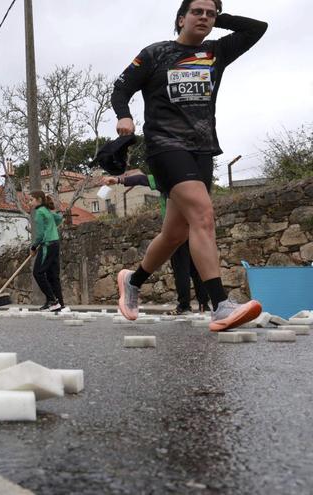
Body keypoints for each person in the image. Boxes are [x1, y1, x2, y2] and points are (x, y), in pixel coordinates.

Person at [111, 0, 266, 331]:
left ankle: (133, 281)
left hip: (202, 150)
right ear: (180, 18)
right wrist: (123, 115)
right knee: (203, 215)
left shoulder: (216, 52)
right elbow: (121, 87)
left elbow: (257, 28)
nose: (205, 18)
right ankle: (220, 305)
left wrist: (217, 17)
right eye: (198, 11)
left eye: (211, 14)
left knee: (175, 233)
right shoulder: (156, 53)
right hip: (165, 146)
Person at [104, 174, 210, 314]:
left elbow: (144, 179)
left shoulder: (168, 177)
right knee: (197, 267)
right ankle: (204, 305)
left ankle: (184, 305)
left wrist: (118, 180)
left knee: (181, 268)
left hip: (176, 229)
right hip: (194, 226)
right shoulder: (190, 177)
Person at [29, 191, 65, 312]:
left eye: (31, 200)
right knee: (52, 275)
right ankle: (60, 303)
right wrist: (52, 226)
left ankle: (52, 301)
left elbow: (39, 234)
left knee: (38, 273)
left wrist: (33, 247)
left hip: (48, 245)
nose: (30, 202)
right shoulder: (47, 210)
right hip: (55, 243)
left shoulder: (39, 212)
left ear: (38, 199)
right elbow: (59, 218)